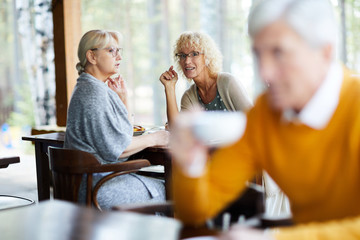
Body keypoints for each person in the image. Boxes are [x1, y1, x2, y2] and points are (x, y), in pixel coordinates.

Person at [170, 0, 360, 239]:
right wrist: (191, 165)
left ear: (325, 51)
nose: (265, 73)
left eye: (279, 52)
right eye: (259, 54)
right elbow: (197, 211)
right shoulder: (265, 115)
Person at [64, 29, 169, 210]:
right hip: (99, 186)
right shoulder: (94, 93)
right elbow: (119, 149)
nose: (119, 56)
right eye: (111, 51)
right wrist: (156, 138)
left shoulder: (89, 87)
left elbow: (121, 136)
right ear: (92, 56)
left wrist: (123, 98)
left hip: (89, 182)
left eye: (119, 51)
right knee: (175, 191)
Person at [159, 31, 252, 126]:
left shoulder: (228, 83)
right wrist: (169, 87)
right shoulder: (189, 97)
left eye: (194, 54)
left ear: (207, 57)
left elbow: (255, 121)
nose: (187, 61)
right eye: (183, 55)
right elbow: (177, 129)